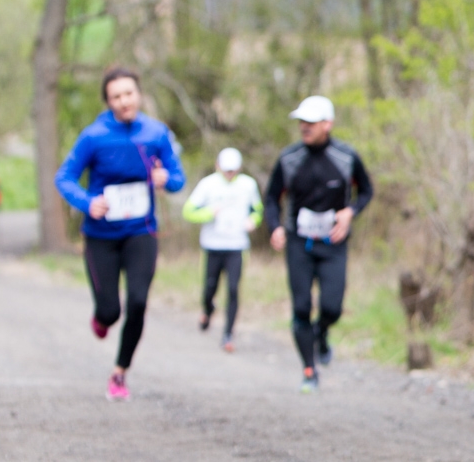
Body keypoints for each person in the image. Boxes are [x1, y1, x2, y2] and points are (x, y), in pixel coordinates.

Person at [55, 66, 186, 401]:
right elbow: (65, 177)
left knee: (139, 303)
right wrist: (87, 202)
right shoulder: (94, 136)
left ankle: (120, 373)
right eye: (116, 96)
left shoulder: (156, 133)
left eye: (129, 93)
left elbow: (177, 177)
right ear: (108, 101)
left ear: (138, 94)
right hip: (101, 236)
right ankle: (101, 317)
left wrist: (165, 181)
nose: (124, 101)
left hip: (141, 231)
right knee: (110, 311)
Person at [264, 95, 372, 392]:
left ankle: (322, 333)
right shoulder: (289, 159)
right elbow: (272, 197)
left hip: (333, 242)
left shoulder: (346, 157)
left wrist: (350, 213)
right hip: (299, 243)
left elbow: (366, 192)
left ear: (328, 124)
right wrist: (275, 228)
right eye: (301, 122)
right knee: (301, 307)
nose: (304, 127)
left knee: (331, 307)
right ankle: (309, 370)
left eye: (311, 122)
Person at [182, 147, 262, 352]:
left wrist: (253, 220)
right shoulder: (207, 184)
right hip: (212, 245)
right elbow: (188, 211)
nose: (229, 174)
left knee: (234, 289)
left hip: (237, 246)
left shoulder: (248, 185)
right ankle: (208, 309)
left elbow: (257, 210)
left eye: (233, 170)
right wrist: (208, 213)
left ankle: (228, 334)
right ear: (218, 166)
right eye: (226, 170)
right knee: (210, 287)